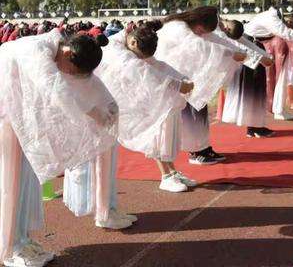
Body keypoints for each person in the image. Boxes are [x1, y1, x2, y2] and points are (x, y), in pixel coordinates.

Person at [0, 30, 118, 267]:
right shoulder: (35, 51)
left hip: (18, 122)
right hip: (5, 120)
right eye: (71, 70)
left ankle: (20, 238)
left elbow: (86, 82)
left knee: (25, 181)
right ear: (67, 53)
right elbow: (56, 89)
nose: (69, 75)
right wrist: (95, 113)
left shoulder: (62, 52)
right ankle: (8, 247)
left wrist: (108, 105)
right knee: (9, 182)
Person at [63, 24, 196, 221]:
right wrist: (177, 84)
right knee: (96, 162)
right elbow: (144, 71)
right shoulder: (118, 52)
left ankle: (109, 207)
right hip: (95, 110)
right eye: (139, 54)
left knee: (107, 162)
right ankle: (103, 211)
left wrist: (179, 78)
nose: (141, 58)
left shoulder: (128, 43)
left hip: (106, 108)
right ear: (132, 42)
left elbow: (153, 64)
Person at [155, 7, 246, 166]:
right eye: (202, 31)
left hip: (188, 76)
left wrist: (238, 51)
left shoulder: (188, 26)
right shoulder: (178, 27)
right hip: (173, 79)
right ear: (199, 22)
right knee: (188, 116)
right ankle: (196, 151)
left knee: (199, 110)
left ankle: (202, 147)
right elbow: (200, 46)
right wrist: (231, 53)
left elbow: (216, 41)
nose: (202, 34)